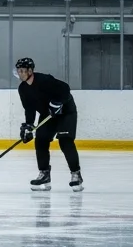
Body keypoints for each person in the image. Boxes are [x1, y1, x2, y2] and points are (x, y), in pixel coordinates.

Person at [16, 56, 83, 191]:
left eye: (23, 71)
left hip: (66, 112)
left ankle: (76, 174)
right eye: (19, 71)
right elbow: (29, 108)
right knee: (40, 139)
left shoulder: (44, 80)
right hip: (48, 115)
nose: (20, 73)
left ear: (30, 71)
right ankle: (44, 174)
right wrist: (29, 125)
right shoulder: (23, 89)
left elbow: (65, 88)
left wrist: (57, 102)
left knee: (65, 141)